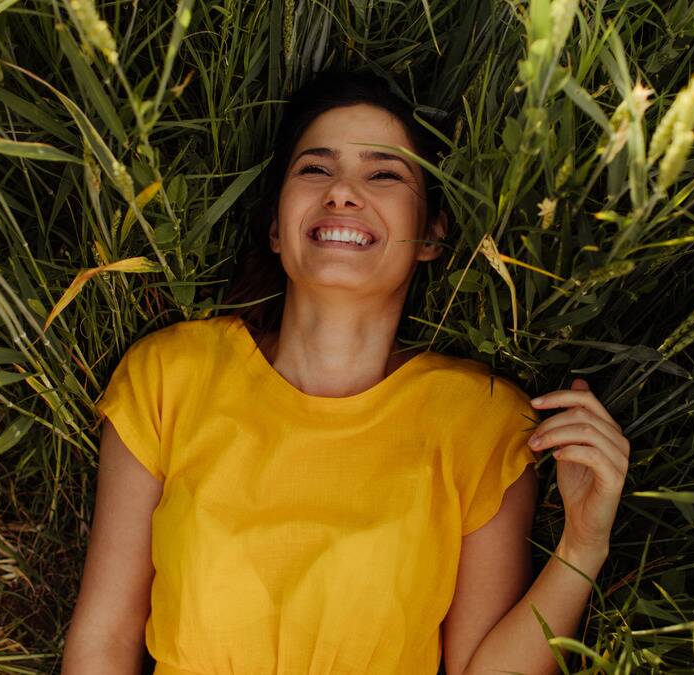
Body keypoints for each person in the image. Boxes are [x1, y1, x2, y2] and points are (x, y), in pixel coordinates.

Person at [61, 70, 630, 675]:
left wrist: (583, 545)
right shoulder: (170, 375)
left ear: (431, 236)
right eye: (314, 169)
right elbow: (105, 636)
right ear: (277, 228)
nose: (342, 192)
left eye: (383, 174)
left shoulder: (481, 418)